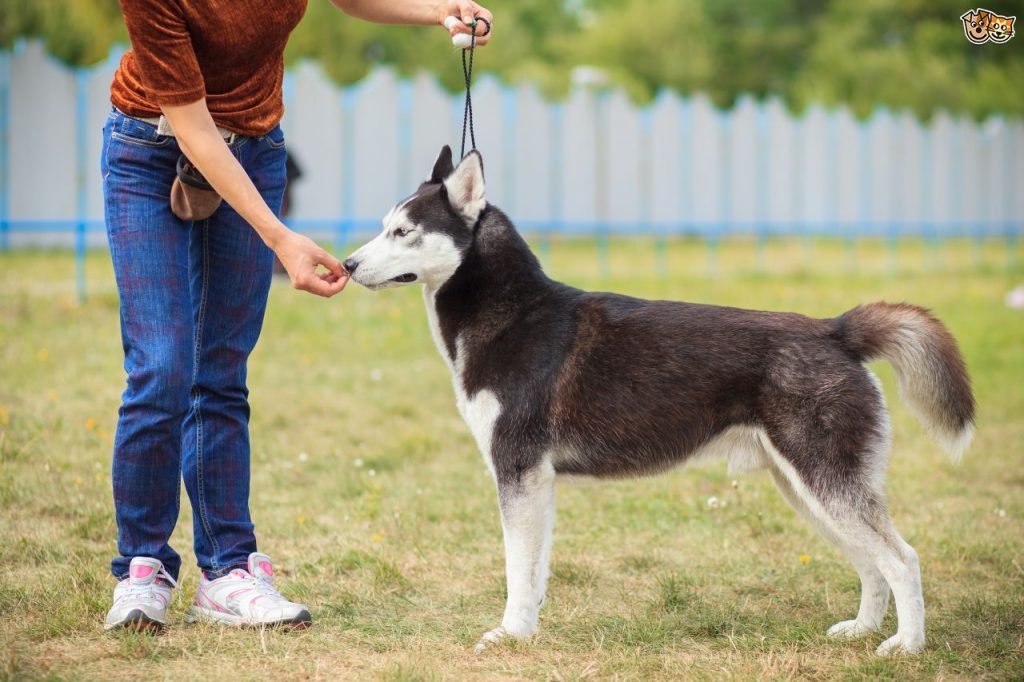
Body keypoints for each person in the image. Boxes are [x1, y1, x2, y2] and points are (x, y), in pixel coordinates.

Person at [102, 0, 493, 632]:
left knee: (220, 369)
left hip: (256, 148)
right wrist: (281, 238)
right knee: (162, 368)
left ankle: (228, 571)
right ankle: (142, 570)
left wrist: (436, 10)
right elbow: (194, 128)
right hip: (150, 149)